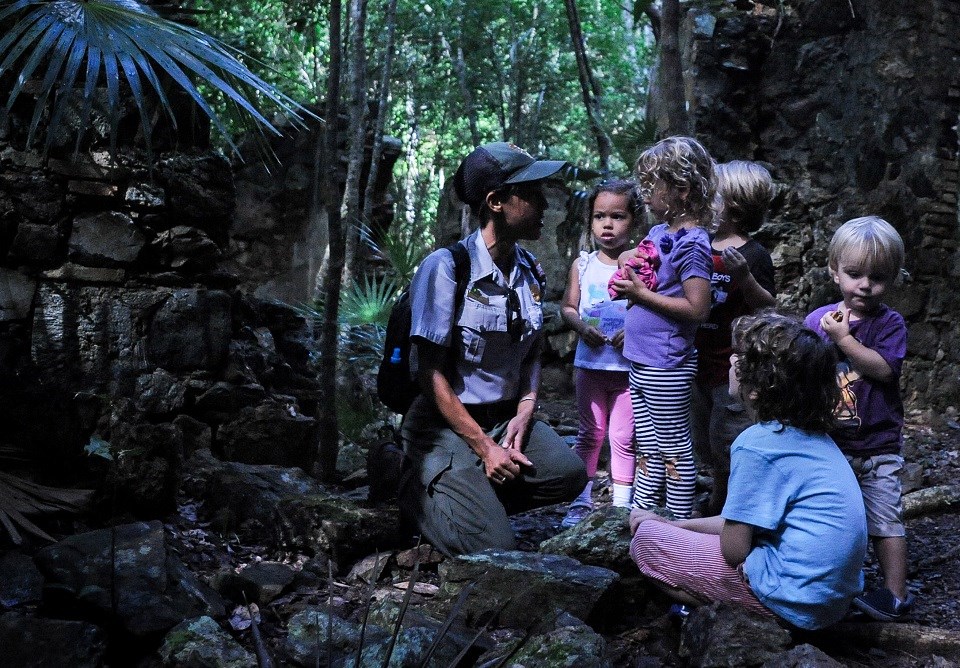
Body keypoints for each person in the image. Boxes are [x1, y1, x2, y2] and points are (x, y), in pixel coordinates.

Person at [398, 142, 587, 557]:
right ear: (496, 201)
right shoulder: (446, 268)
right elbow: (428, 375)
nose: (543, 204)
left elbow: (532, 350)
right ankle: (412, 487)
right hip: (445, 426)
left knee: (569, 475)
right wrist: (484, 447)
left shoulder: (528, 269)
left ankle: (469, 499)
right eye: (532, 194)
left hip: (504, 419)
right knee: (493, 547)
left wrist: (526, 407)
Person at [629, 312, 868, 631]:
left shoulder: (757, 444)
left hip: (792, 602)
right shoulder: (813, 438)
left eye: (737, 357)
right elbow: (740, 522)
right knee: (661, 529)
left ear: (756, 388)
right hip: (829, 604)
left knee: (645, 539)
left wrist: (662, 528)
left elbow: (733, 547)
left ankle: (733, 618)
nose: (730, 361)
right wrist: (676, 523)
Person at [805, 216, 913, 621]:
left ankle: (895, 593)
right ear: (835, 271)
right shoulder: (817, 321)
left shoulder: (889, 324)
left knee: (885, 517)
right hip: (830, 442)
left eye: (878, 277)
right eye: (854, 274)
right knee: (836, 518)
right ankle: (836, 584)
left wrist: (845, 340)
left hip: (877, 445)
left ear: (894, 279)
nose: (865, 285)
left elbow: (884, 369)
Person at [609, 136, 714, 519]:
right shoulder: (660, 234)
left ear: (682, 190)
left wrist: (640, 294)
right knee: (649, 444)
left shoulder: (693, 244)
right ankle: (642, 513)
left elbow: (697, 307)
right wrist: (628, 263)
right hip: (642, 358)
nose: (645, 195)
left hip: (666, 364)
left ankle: (680, 521)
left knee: (675, 447)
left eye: (653, 186)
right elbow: (647, 272)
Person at [691, 161, 777, 515]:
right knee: (700, 433)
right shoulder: (698, 244)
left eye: (714, 195)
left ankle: (724, 503)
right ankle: (708, 488)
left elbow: (767, 306)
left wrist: (744, 277)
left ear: (735, 206)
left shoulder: (754, 255)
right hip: (694, 358)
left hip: (730, 365)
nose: (706, 200)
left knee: (728, 435)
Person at [559, 179, 640, 527]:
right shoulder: (583, 264)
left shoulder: (641, 264)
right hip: (590, 364)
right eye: (599, 216)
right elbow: (568, 306)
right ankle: (580, 500)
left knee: (623, 436)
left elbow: (650, 307)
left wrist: (633, 330)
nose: (607, 225)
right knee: (590, 432)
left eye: (617, 216)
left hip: (627, 368)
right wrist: (580, 328)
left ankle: (622, 505)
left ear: (634, 221)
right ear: (590, 222)